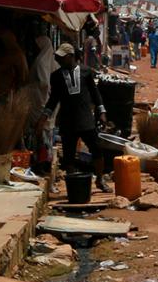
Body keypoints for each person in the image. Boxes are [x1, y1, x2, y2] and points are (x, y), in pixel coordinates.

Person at [44, 43, 109, 193]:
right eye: (58, 58)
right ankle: (73, 187)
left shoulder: (86, 72)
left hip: (86, 119)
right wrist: (44, 116)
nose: (59, 60)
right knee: (69, 156)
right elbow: (53, 99)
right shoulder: (56, 76)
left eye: (62, 57)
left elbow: (95, 94)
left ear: (71, 57)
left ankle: (100, 179)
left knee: (97, 150)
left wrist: (102, 112)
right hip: (67, 121)